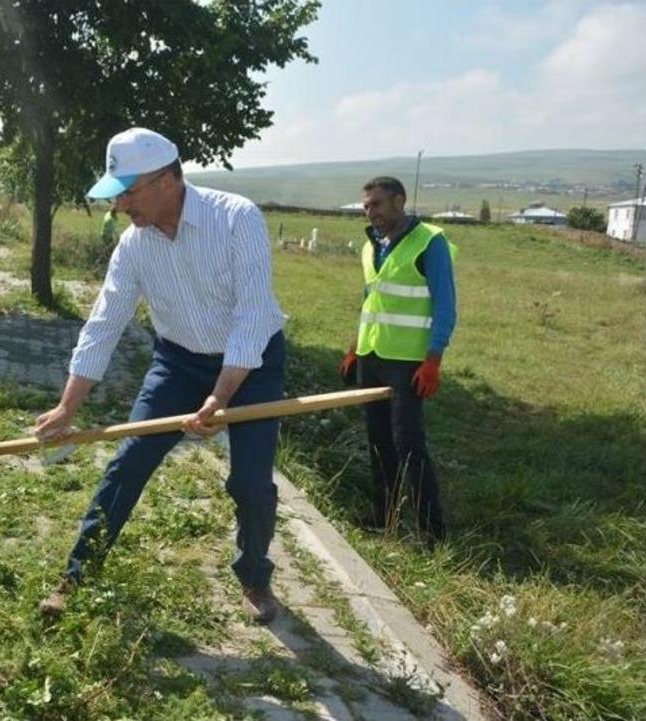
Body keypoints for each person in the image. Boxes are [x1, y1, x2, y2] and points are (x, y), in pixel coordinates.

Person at [35, 128, 287, 623]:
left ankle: (255, 576)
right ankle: (77, 574)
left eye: (128, 191)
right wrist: (69, 406)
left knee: (252, 482)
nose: (121, 205)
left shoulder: (236, 219)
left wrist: (220, 397)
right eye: (117, 193)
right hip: (177, 363)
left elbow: (253, 317)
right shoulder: (133, 246)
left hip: (251, 364)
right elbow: (104, 324)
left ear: (168, 179)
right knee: (129, 463)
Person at [338, 176, 457, 546]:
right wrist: (356, 347)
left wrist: (433, 359)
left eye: (376, 204)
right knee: (378, 442)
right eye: (366, 206)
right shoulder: (371, 246)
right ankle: (383, 515)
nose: (370, 212)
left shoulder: (429, 242)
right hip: (372, 356)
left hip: (408, 362)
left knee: (408, 444)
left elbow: (445, 306)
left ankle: (430, 532)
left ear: (399, 201)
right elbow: (370, 301)